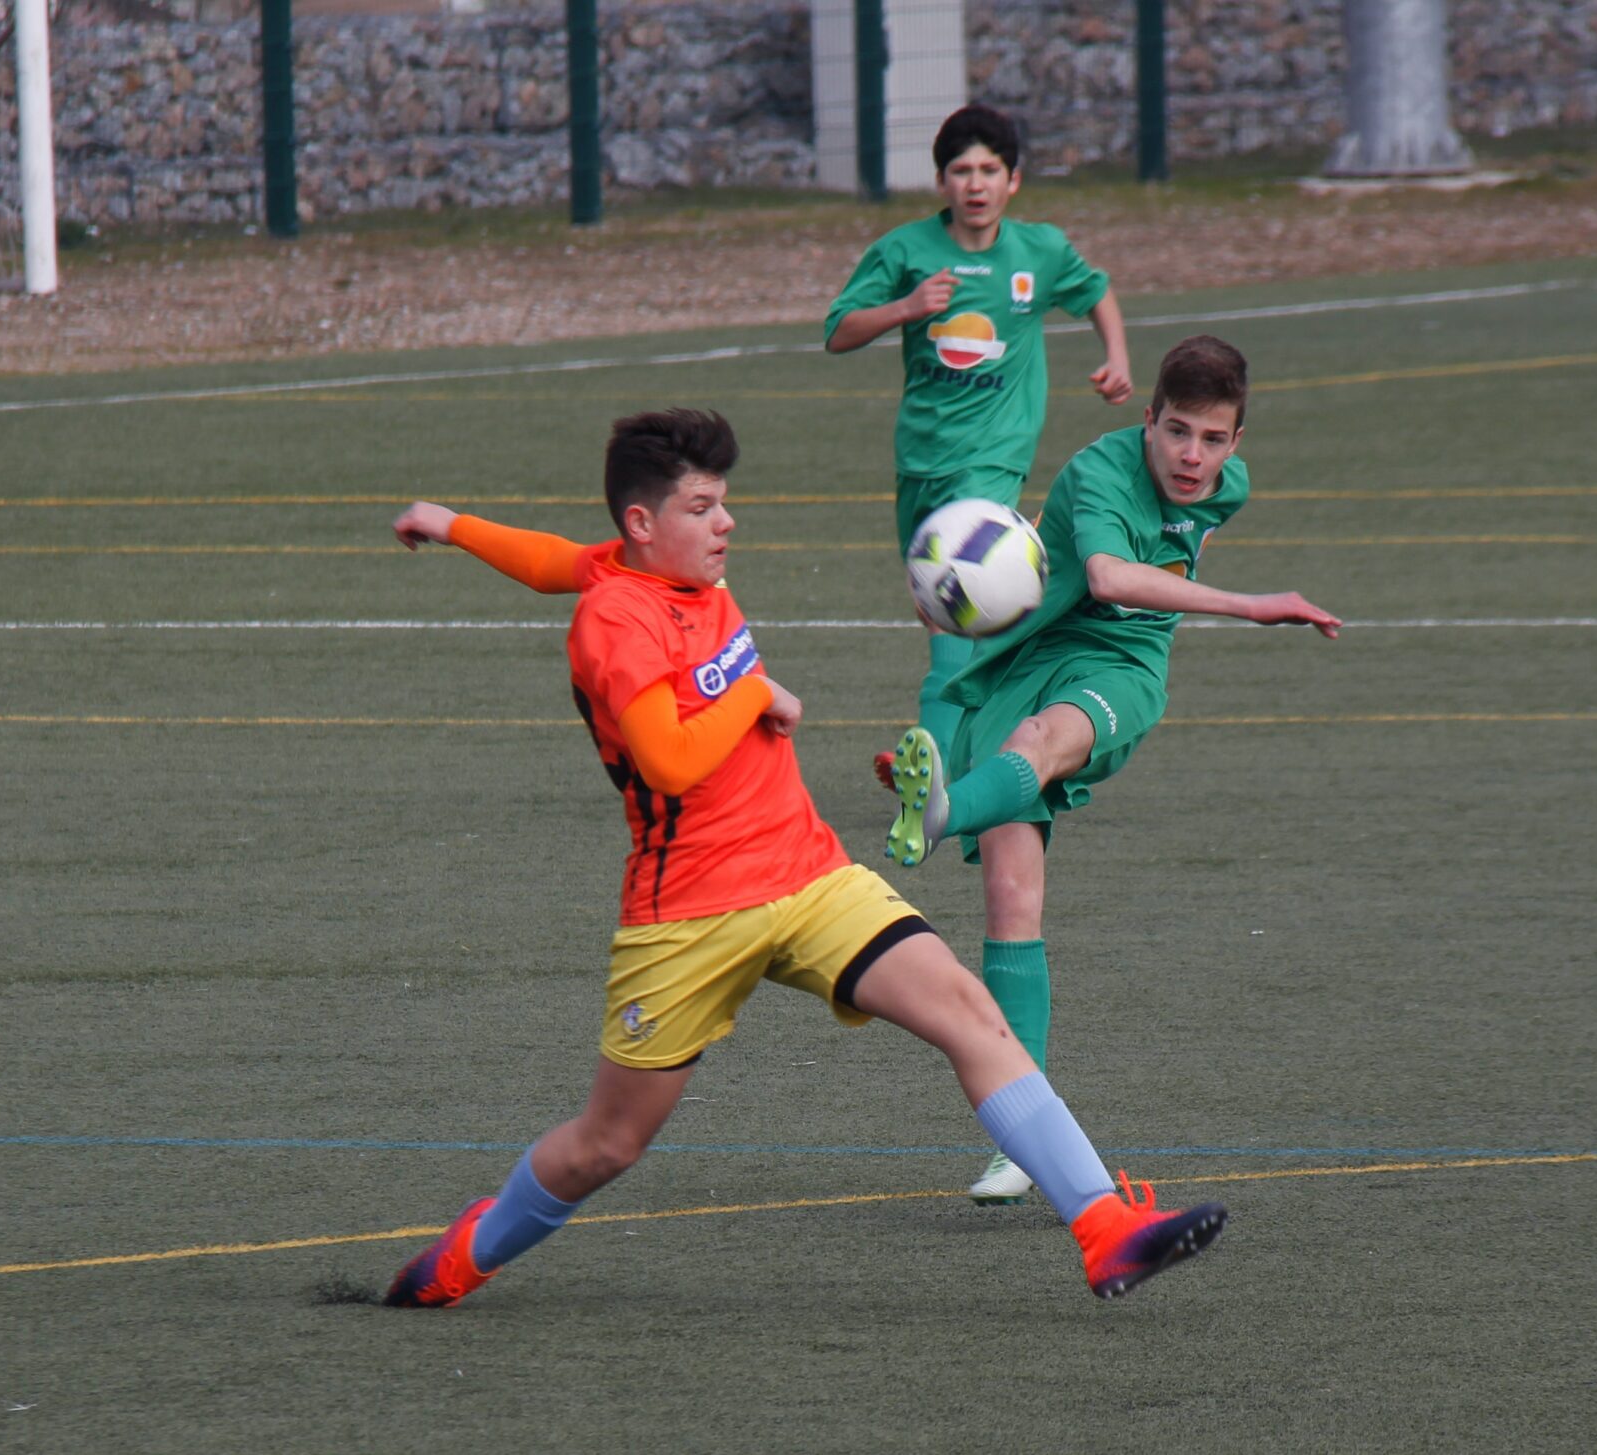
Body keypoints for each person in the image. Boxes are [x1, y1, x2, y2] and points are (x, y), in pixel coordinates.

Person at [377, 407, 1225, 1308]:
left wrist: (451, 524)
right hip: (692, 913)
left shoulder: (648, 563)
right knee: (607, 1145)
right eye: (702, 508)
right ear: (642, 523)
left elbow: (552, 559)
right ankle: (467, 1254)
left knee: (971, 1014)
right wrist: (752, 695)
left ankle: (1103, 1227)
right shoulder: (617, 621)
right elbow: (667, 759)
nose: (726, 522)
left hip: (809, 872)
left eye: (722, 502)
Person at [883, 336, 1342, 1205]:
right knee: (1011, 899)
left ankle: (940, 812)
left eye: (1213, 439)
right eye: (1177, 432)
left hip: (1122, 669)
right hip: (1026, 659)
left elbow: (1133, 585)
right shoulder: (1099, 473)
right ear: (1149, 420)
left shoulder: (1227, 487)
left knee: (1043, 741)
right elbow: (1104, 574)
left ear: (1237, 441)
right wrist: (1250, 605)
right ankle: (1023, 1142)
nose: (1193, 456)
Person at [823, 103, 1132, 766]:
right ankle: (975, 747)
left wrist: (1117, 357)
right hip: (921, 458)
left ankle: (932, 758)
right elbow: (838, 331)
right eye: (961, 171)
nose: (976, 184)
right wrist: (906, 308)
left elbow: (1096, 290)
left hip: (992, 459)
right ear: (942, 181)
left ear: (1013, 180)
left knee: (960, 601)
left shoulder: (1039, 251)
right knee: (948, 615)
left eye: (990, 170)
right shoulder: (906, 251)